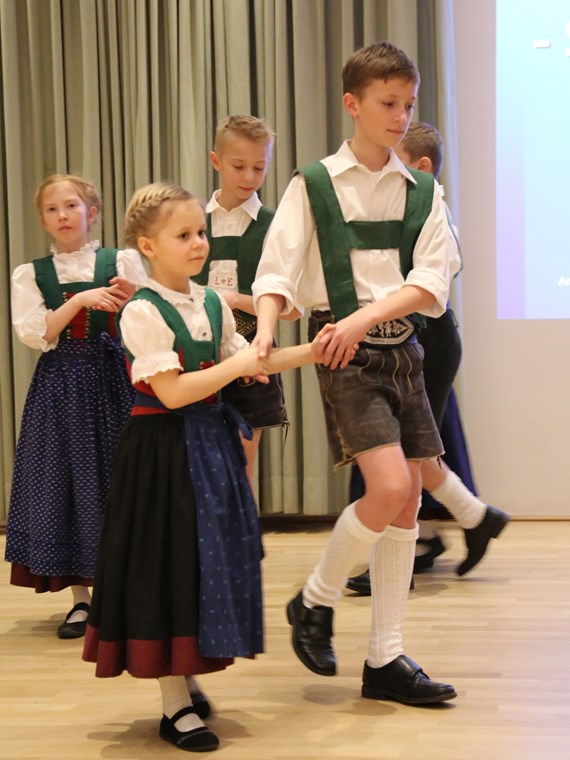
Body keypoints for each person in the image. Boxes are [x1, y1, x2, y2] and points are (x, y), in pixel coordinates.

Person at [82, 182, 343, 753]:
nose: (198, 243)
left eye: (200, 231)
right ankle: (174, 704)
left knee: (205, 566)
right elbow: (173, 393)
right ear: (148, 247)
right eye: (184, 235)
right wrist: (242, 364)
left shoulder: (212, 303)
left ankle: (186, 678)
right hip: (162, 453)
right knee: (169, 568)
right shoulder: (142, 313)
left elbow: (251, 362)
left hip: (210, 447)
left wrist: (313, 350)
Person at [253, 41, 462, 706]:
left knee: (404, 501)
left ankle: (385, 656)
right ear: (353, 104)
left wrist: (367, 318)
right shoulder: (312, 184)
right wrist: (262, 328)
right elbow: (277, 269)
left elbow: (433, 280)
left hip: (402, 350)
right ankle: (313, 600)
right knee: (391, 482)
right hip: (343, 356)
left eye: (408, 104)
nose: (401, 116)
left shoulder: (423, 190)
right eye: (387, 103)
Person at [346, 122, 509, 596]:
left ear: (420, 168)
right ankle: (467, 521)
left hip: (428, 340)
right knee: (409, 451)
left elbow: (424, 287)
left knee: (407, 454)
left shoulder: (433, 214)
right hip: (406, 340)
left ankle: (406, 552)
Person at [5, 174, 146, 639]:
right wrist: (81, 299)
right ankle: (81, 600)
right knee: (69, 484)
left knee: (119, 480)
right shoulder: (31, 274)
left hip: (114, 382)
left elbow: (151, 311)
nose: (63, 216)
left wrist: (132, 303)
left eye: (71, 205)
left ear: (92, 211)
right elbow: (36, 332)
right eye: (52, 209)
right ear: (42, 219)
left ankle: (123, 589)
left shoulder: (120, 260)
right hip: (61, 387)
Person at [193, 115, 291, 486]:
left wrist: (235, 299)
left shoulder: (274, 225)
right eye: (239, 166)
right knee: (199, 465)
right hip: (198, 355)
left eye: (259, 168)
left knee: (241, 467)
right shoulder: (193, 220)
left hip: (253, 353)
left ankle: (242, 542)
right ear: (216, 161)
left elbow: (291, 307)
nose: (249, 177)